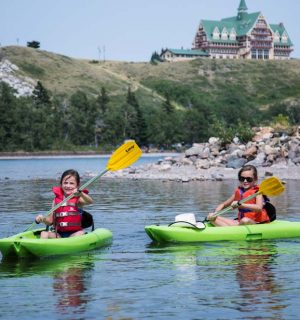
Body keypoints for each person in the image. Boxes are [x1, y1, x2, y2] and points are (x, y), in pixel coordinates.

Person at [35, 169, 93, 238]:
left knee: (80, 233)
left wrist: (81, 194)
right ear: (61, 184)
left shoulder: (78, 198)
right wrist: (43, 219)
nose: (68, 186)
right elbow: (50, 221)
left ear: (77, 185)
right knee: (44, 234)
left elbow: (90, 201)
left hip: (74, 234)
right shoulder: (56, 200)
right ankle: (42, 248)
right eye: (65, 183)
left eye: (71, 183)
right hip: (59, 235)